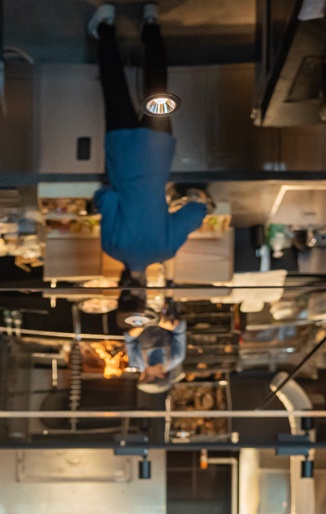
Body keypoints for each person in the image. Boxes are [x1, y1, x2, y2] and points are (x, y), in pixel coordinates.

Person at [89, 5, 209, 308]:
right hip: (122, 149)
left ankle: (152, 23)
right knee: (114, 87)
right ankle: (106, 25)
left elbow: (196, 212)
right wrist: (103, 196)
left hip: (157, 151)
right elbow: (108, 200)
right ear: (120, 287)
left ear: (146, 290)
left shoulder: (165, 250)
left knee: (157, 87)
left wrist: (174, 206)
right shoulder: (112, 247)